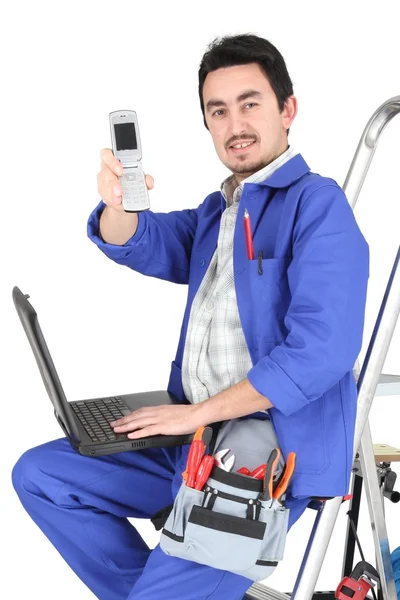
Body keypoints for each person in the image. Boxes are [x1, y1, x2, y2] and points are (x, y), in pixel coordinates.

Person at [12, 33, 370, 600]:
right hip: (192, 439)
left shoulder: (318, 206)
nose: (236, 124)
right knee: (43, 477)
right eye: (218, 111)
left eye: (251, 103)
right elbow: (145, 240)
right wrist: (116, 205)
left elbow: (320, 352)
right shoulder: (219, 211)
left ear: (288, 109)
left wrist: (195, 414)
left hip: (266, 457)